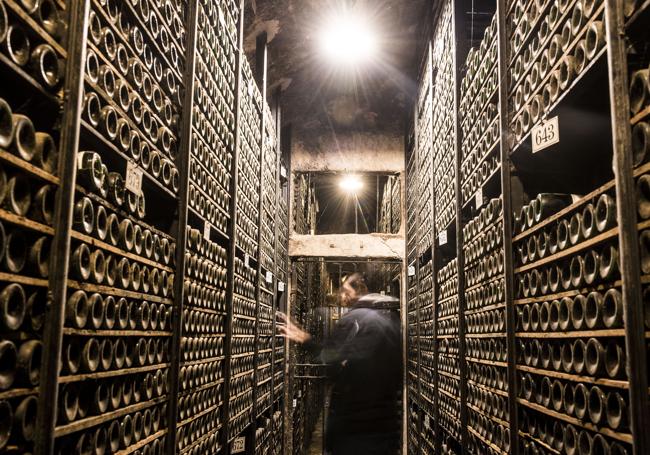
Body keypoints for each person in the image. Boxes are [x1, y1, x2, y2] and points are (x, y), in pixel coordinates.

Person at [278, 272, 402, 455]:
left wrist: (305, 340)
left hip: (353, 425)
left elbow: (331, 359)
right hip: (384, 425)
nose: (341, 296)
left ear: (359, 290)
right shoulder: (392, 319)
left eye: (344, 291)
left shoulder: (354, 320)